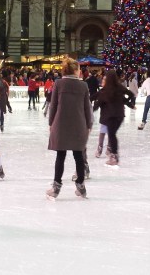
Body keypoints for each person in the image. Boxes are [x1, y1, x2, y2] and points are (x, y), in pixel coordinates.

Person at [46, 58, 93, 200]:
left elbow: (53, 105)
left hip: (61, 124)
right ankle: (81, 186)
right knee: (79, 156)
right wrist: (89, 124)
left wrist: (51, 123)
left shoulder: (59, 83)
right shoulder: (83, 85)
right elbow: (87, 107)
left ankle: (56, 187)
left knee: (60, 156)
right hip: (79, 125)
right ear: (75, 70)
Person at [92, 70, 136, 166]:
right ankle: (113, 154)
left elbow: (97, 104)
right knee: (112, 135)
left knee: (111, 135)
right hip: (119, 116)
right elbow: (131, 94)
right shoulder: (119, 87)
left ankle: (114, 156)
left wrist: (88, 111)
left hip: (110, 116)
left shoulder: (105, 91)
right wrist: (125, 101)